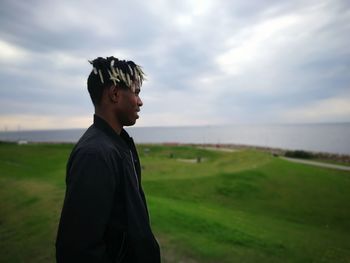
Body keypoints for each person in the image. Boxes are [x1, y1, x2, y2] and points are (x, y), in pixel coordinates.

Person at [56, 56, 161, 263]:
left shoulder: (117, 145)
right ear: (114, 94)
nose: (140, 102)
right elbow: (78, 250)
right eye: (136, 93)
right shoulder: (95, 154)